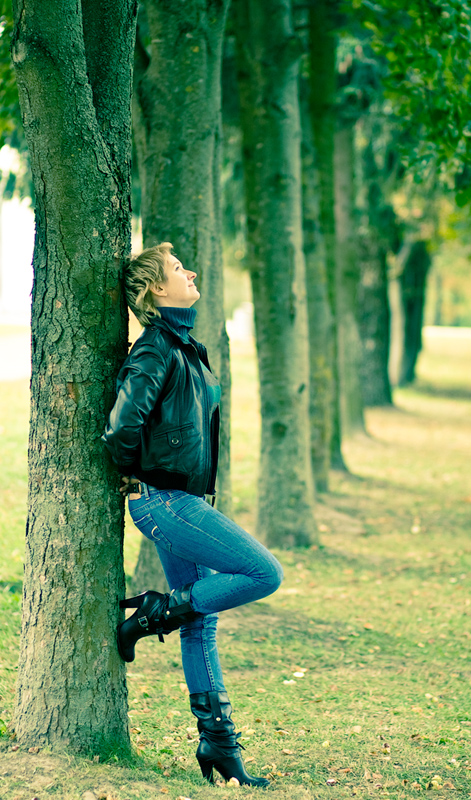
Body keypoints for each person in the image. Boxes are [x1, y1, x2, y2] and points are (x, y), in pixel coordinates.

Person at [103, 243, 283, 787]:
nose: (192, 272)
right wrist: (139, 476)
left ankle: (219, 747)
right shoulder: (156, 349)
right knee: (263, 573)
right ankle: (155, 612)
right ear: (158, 290)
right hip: (165, 502)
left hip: (184, 502)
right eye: (179, 269)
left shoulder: (184, 345)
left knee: (198, 624)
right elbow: (120, 428)